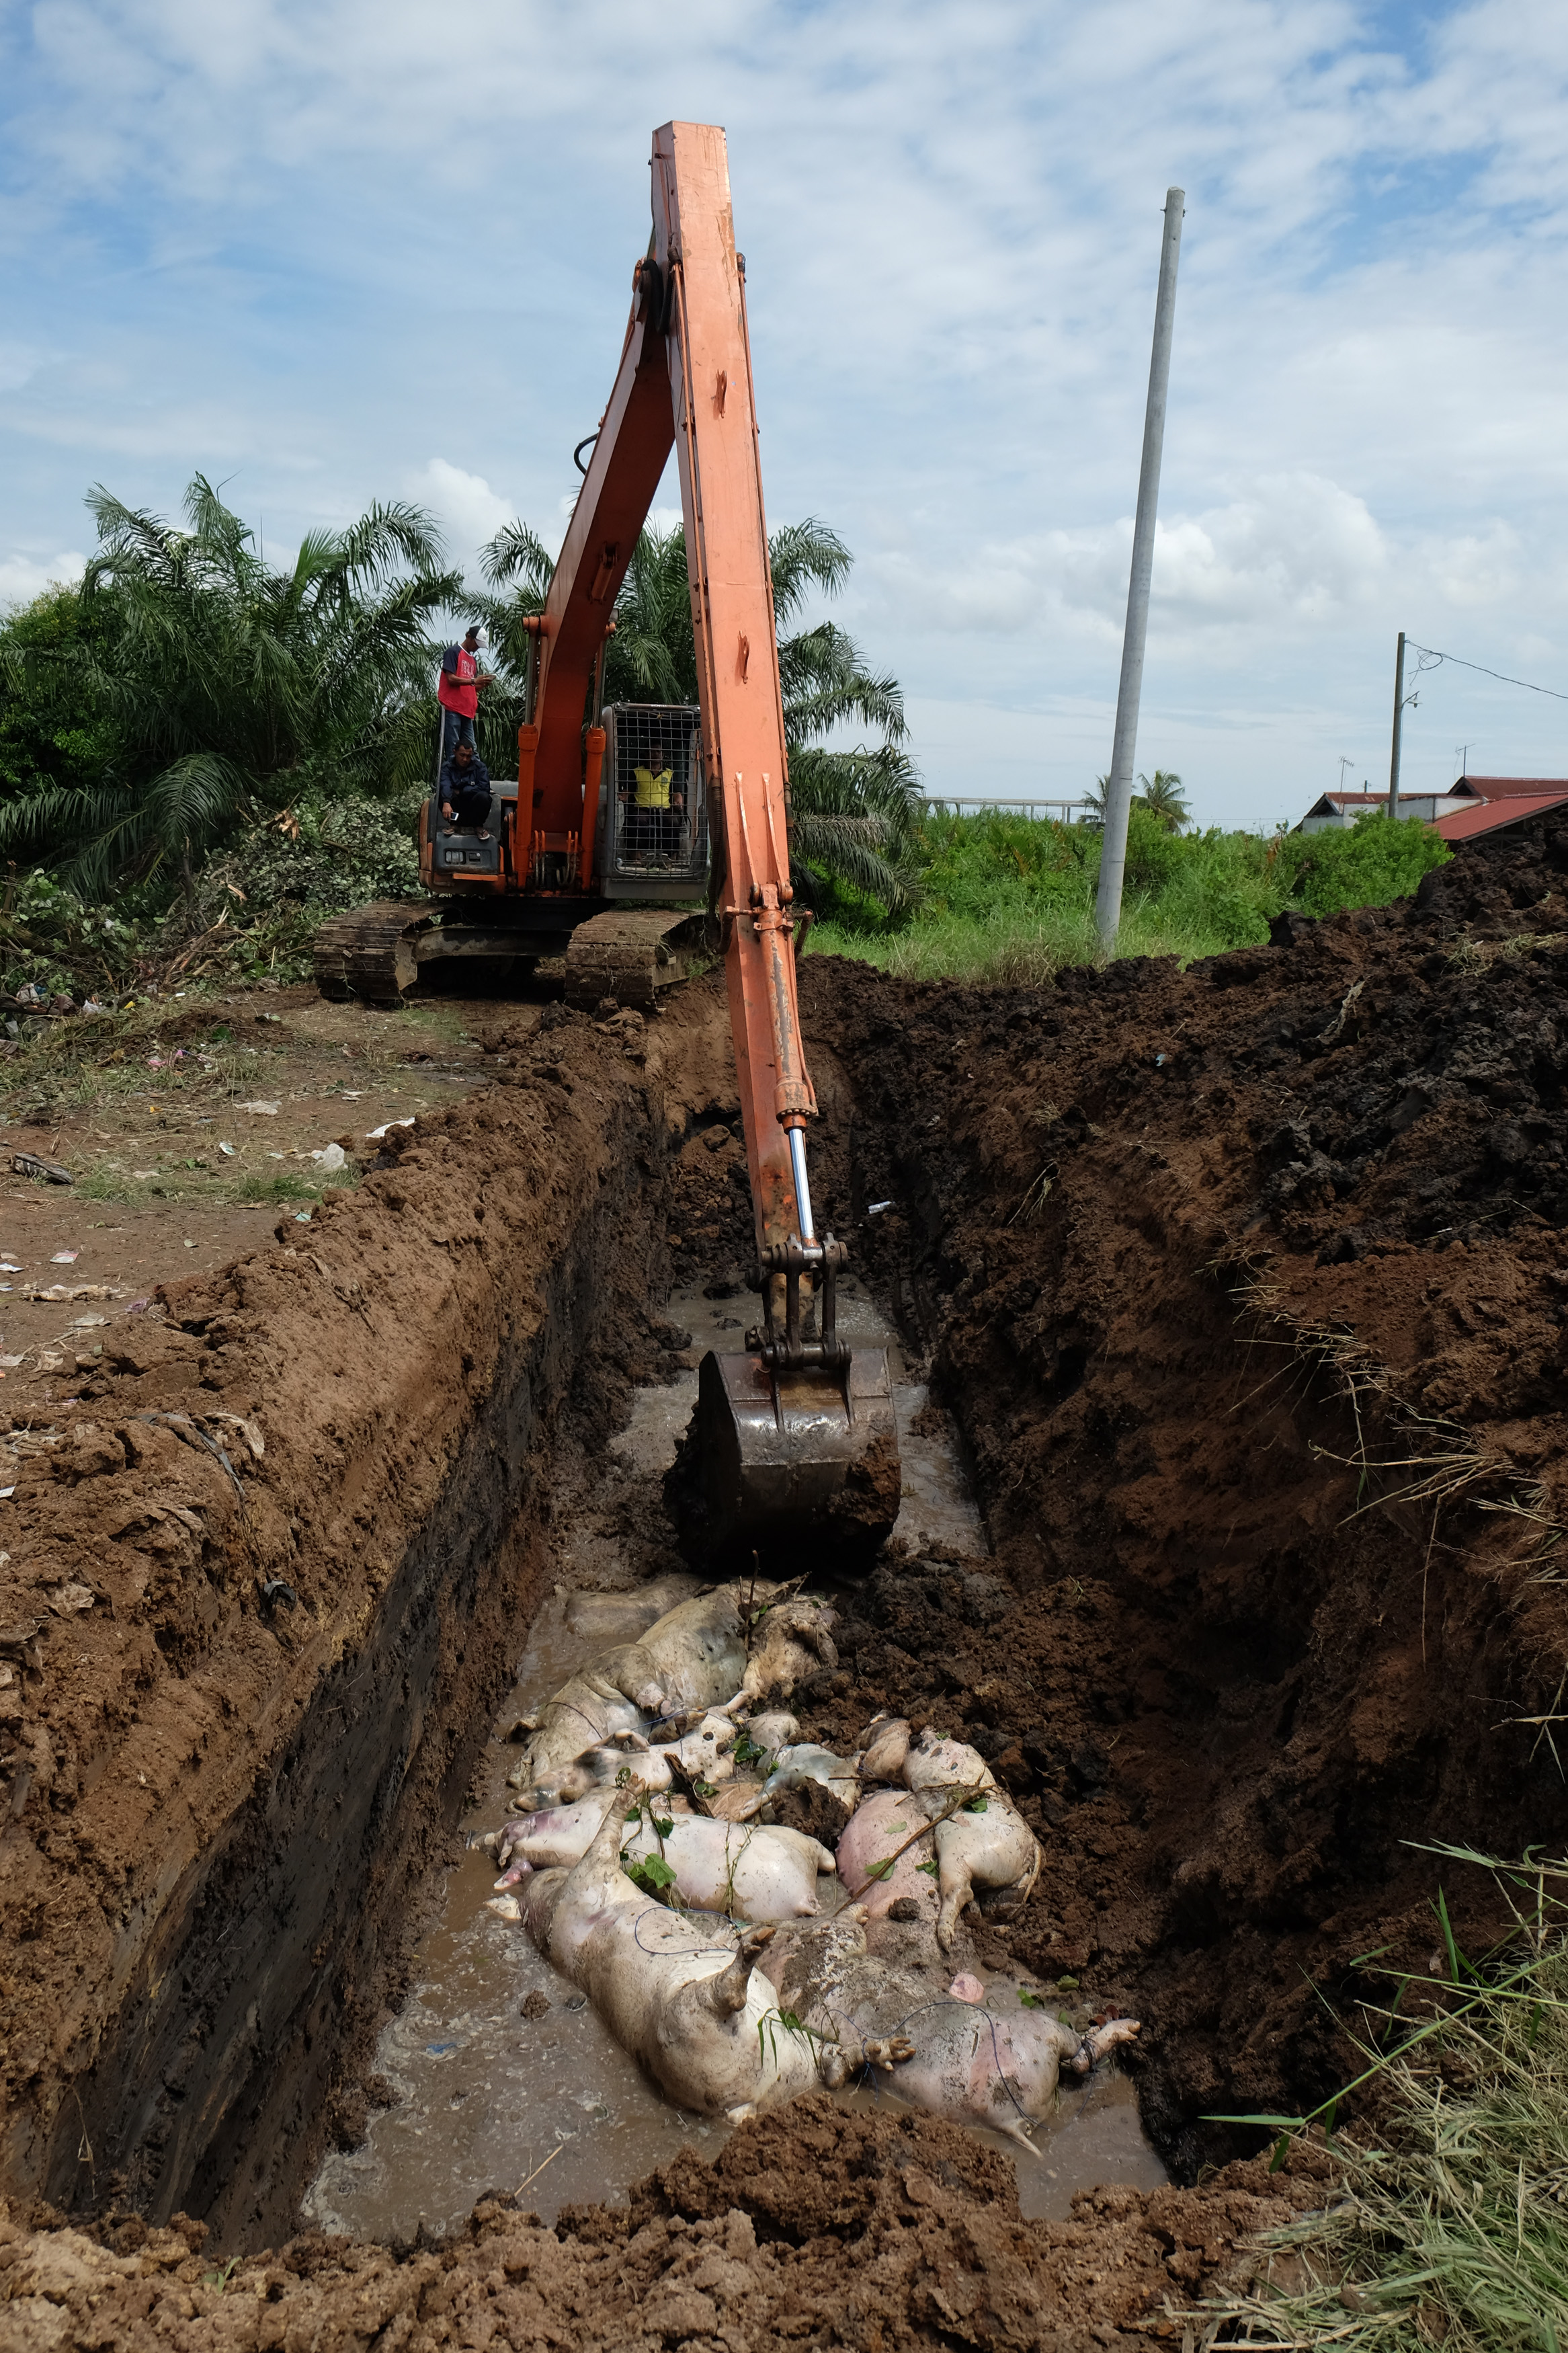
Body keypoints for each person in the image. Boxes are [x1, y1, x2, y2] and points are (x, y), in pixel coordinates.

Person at [438, 624, 495, 764]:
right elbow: (451, 679)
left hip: (467, 710)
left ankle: (476, 780)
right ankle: (452, 782)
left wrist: (480, 684)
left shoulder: (472, 660)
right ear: (468, 637)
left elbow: (469, 686)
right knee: (454, 748)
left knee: (471, 749)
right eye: (476, 644)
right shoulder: (453, 652)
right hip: (453, 708)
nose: (477, 648)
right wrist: (474, 680)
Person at [440, 740, 493, 839]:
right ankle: (454, 824)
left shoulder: (480, 767)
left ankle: (478, 827)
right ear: (454, 752)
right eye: (462, 755)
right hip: (456, 808)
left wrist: (462, 791)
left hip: (473, 807)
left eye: (468, 756)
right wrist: (446, 802)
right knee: (442, 795)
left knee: (484, 797)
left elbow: (484, 787)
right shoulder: (447, 767)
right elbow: (445, 784)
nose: (465, 759)